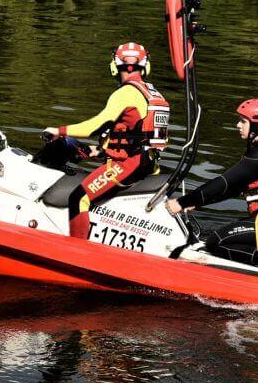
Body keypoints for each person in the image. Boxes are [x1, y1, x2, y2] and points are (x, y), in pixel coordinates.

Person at [165, 98, 258, 274]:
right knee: (228, 238)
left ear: (257, 125)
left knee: (216, 242)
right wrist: (198, 202)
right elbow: (233, 188)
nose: (238, 125)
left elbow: (224, 182)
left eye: (243, 121)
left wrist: (181, 202)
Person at [44, 42, 170, 239]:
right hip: (148, 164)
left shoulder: (125, 92)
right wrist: (101, 150)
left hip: (127, 165)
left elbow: (96, 126)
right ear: (146, 66)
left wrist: (58, 131)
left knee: (78, 198)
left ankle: (77, 250)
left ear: (114, 66)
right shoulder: (153, 94)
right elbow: (136, 134)